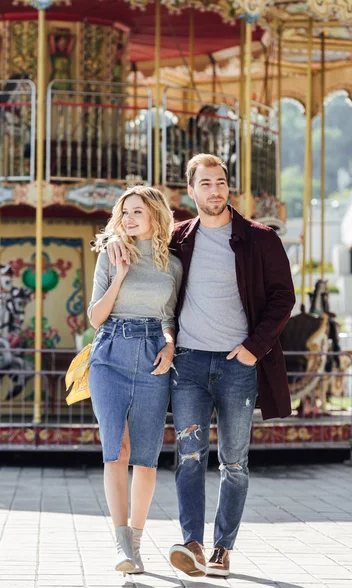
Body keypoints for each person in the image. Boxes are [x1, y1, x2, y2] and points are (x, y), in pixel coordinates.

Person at [108, 154, 295, 578]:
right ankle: (190, 542)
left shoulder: (259, 239)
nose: (215, 191)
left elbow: (284, 297)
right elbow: (134, 237)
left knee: (234, 462)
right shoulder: (177, 238)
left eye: (221, 182)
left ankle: (222, 548)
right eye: (206, 184)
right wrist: (113, 241)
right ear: (190, 191)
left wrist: (254, 347)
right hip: (188, 363)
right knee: (189, 456)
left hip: (238, 365)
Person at [88, 186, 183, 576]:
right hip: (109, 352)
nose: (128, 218)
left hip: (152, 355)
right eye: (124, 211)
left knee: (145, 457)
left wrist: (171, 345)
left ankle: (137, 544)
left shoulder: (173, 265)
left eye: (137, 211)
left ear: (155, 216)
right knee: (116, 450)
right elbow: (95, 317)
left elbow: (171, 318)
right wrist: (120, 273)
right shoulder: (111, 256)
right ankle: (120, 543)